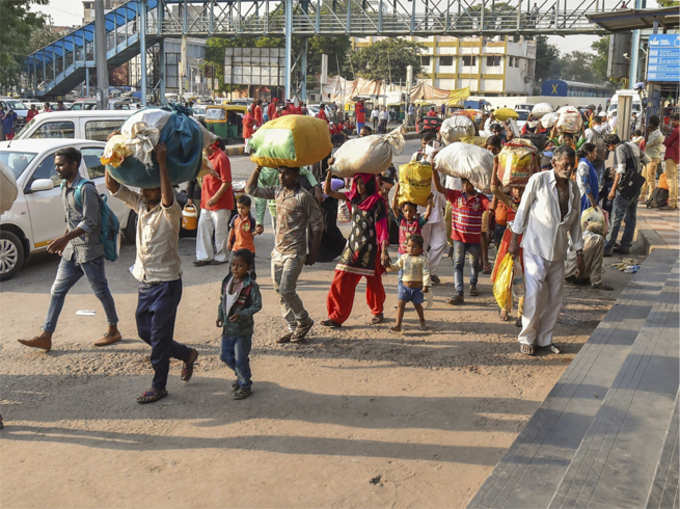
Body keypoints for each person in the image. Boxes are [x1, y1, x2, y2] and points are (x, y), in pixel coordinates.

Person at [106, 143, 199, 404]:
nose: (144, 192)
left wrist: (161, 164)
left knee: (158, 339)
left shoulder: (171, 213)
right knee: (145, 333)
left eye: (150, 188)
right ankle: (186, 354)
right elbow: (114, 188)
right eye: (144, 188)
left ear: (159, 190)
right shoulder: (141, 206)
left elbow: (168, 197)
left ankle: (159, 386)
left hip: (167, 284)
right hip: (145, 282)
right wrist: (109, 154)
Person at [17, 147, 122, 352]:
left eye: (61, 164)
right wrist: (66, 241)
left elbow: (90, 222)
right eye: (56, 165)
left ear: (74, 164)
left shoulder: (86, 189)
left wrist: (64, 238)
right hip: (72, 251)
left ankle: (113, 329)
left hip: (89, 251)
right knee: (57, 291)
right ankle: (46, 335)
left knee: (101, 291)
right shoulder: (65, 185)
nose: (57, 168)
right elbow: (71, 218)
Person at [508, 145, 584, 356]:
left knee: (554, 299)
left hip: (558, 252)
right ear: (554, 163)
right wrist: (514, 240)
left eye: (571, 165)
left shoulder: (574, 189)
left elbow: (575, 223)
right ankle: (527, 337)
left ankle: (544, 339)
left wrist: (579, 252)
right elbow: (522, 211)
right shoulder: (539, 180)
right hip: (535, 248)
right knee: (534, 295)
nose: (568, 169)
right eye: (565, 164)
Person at [246, 165, 323, 343]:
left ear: (296, 175)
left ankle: (304, 320)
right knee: (279, 292)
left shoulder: (303, 197)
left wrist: (313, 252)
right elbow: (250, 189)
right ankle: (294, 328)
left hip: (295, 252)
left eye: (286, 173)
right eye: (280, 172)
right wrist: (257, 167)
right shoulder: (277, 191)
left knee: (286, 289)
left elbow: (317, 226)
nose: (281, 176)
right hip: (278, 251)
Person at [321, 173, 389, 328]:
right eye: (357, 183)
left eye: (363, 183)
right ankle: (336, 317)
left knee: (374, 282)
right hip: (352, 246)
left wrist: (384, 250)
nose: (360, 187)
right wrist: (330, 171)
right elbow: (329, 192)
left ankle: (377, 311)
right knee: (341, 278)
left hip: (371, 248)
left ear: (370, 184)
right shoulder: (352, 198)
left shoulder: (377, 202)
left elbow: (382, 227)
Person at [431, 171, 489, 305]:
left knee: (474, 264)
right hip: (458, 239)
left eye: (467, 183)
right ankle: (459, 292)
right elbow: (439, 188)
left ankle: (473, 285)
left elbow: (491, 206)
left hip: (474, 240)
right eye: (463, 183)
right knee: (458, 265)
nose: (465, 185)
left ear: (473, 184)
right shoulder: (455, 196)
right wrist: (434, 170)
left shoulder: (481, 199)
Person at [216, 248, 262, 400]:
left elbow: (257, 305)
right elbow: (222, 300)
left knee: (241, 357)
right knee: (225, 355)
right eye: (233, 265)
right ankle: (242, 374)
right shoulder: (227, 281)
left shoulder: (251, 286)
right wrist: (220, 315)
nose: (235, 269)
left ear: (248, 267)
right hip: (228, 328)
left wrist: (241, 314)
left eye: (240, 266)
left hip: (243, 330)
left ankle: (245, 385)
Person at [603, 134, 648, 256]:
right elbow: (646, 160)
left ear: (611, 144)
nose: (608, 149)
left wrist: (612, 190)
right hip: (635, 185)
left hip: (624, 188)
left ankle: (608, 247)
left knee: (616, 217)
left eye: (608, 147)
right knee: (631, 216)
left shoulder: (619, 149)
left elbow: (620, 171)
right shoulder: (633, 144)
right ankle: (625, 246)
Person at [193, 140, 233, 266]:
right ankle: (204, 256)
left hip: (220, 203)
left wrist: (215, 198)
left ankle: (221, 256)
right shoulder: (206, 158)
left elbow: (226, 182)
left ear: (210, 145)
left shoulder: (221, 158)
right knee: (203, 228)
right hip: (206, 202)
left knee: (220, 231)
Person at [386, 234, 430, 332]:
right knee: (401, 304)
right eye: (409, 246)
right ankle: (398, 324)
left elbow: (426, 273)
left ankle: (422, 320)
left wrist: (426, 285)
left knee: (418, 306)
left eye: (414, 247)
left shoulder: (422, 259)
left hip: (417, 289)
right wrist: (388, 266)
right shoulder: (404, 257)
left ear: (420, 249)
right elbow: (396, 266)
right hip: (404, 287)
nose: (411, 249)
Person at [228, 195, 259, 275]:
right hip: (236, 247)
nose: (240, 210)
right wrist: (229, 241)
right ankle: (232, 280)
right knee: (232, 265)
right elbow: (232, 230)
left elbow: (252, 233)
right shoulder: (235, 218)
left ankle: (251, 282)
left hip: (248, 249)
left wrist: (257, 232)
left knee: (250, 268)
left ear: (248, 208)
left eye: (243, 208)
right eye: (238, 208)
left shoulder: (251, 221)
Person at [641, 115, 665, 203]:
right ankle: (642, 196)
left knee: (650, 179)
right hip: (647, 158)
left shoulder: (658, 135)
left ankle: (651, 197)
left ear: (653, 124)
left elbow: (646, 144)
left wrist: (646, 133)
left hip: (653, 159)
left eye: (650, 124)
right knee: (643, 178)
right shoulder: (652, 132)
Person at [576, 142, 600, 212]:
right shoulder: (583, 165)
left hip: (590, 198)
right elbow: (585, 183)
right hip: (586, 198)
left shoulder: (588, 164)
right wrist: (592, 200)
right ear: (589, 153)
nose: (596, 154)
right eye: (595, 152)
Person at [662, 114, 679, 209]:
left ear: (677, 120)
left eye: (673, 120)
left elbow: (667, 142)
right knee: (674, 179)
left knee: (670, 179)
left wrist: (665, 138)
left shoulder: (676, 131)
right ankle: (674, 201)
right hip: (675, 156)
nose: (672, 122)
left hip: (670, 156)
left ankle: (672, 203)